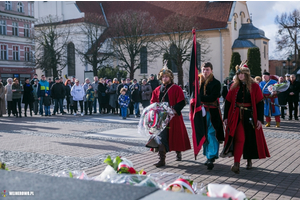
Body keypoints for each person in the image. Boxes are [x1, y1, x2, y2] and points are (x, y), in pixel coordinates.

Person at [221, 63, 270, 174]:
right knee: (239, 138)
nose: (240, 75)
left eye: (242, 73)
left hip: (250, 116)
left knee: (250, 139)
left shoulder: (254, 86)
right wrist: (226, 117)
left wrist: (259, 119)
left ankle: (249, 160)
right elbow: (228, 102)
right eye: (239, 73)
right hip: (236, 115)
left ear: (247, 75)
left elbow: (259, 103)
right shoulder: (234, 86)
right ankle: (236, 163)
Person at [150, 63, 191, 167]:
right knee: (161, 137)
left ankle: (178, 152)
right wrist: (155, 109)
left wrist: (173, 110)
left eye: (166, 76)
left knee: (175, 137)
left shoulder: (176, 88)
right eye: (163, 77)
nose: (164, 78)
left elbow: (182, 102)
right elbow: (153, 102)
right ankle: (162, 160)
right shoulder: (157, 89)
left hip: (173, 117)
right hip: (161, 117)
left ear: (170, 77)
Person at [198, 62, 224, 170]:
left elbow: (213, 97)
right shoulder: (198, 82)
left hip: (212, 112)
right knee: (204, 134)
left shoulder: (216, 83)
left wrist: (200, 99)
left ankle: (211, 156)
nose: (205, 72)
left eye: (207, 69)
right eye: (204, 69)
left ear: (211, 70)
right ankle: (208, 155)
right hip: (201, 112)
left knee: (211, 133)